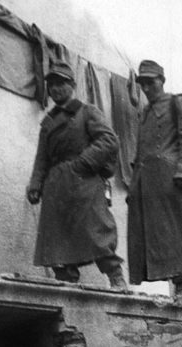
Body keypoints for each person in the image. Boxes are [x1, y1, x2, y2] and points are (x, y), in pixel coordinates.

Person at [26, 61, 126, 289]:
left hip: (85, 182)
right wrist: (35, 185)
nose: (55, 89)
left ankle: (116, 277)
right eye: (51, 85)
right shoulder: (48, 121)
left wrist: (83, 163)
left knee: (97, 231)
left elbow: (109, 141)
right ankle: (66, 281)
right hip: (56, 186)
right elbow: (42, 157)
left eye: (61, 84)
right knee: (57, 238)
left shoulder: (87, 111)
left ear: (72, 85)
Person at [127, 60, 182, 297]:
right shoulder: (145, 113)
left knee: (181, 230)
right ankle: (177, 284)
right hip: (149, 183)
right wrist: (135, 186)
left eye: (151, 82)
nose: (147, 88)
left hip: (173, 180)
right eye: (143, 83)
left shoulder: (177, 102)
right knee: (160, 235)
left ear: (162, 81)